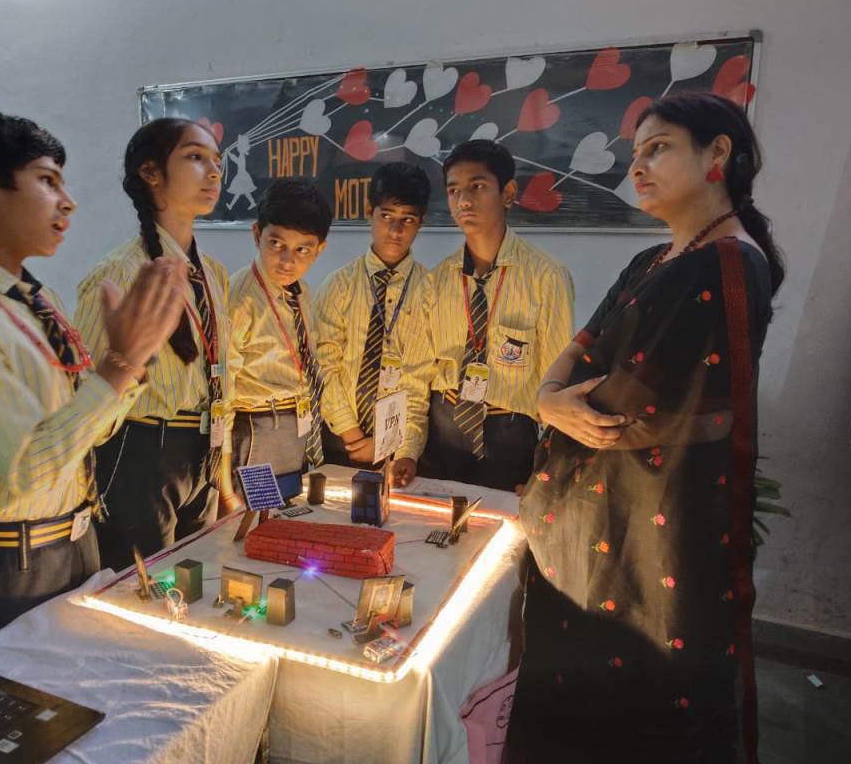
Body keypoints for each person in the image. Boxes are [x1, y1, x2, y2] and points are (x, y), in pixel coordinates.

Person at [506, 91, 784, 763]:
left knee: (638, 712)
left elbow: (625, 408)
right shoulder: (651, 261)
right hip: (593, 526)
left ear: (718, 153)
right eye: (635, 153)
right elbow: (579, 348)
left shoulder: (726, 264)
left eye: (657, 149)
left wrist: (558, 402)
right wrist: (546, 398)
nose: (637, 166)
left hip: (652, 535)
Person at [0, 108, 186, 641]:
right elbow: (29, 470)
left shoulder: (41, 303)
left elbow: (84, 433)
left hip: (77, 539)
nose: (68, 201)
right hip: (14, 564)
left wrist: (129, 369)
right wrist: (117, 368)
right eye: (47, 181)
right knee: (17, 693)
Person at [74, 118, 231, 573]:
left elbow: (225, 372)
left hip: (203, 448)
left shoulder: (212, 274)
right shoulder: (119, 274)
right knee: (145, 590)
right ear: (151, 172)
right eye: (195, 157)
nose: (214, 172)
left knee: (196, 579)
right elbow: (86, 390)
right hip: (142, 453)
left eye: (217, 161)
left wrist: (221, 476)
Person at [421, 140, 574, 491]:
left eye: (477, 187)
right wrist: (409, 450)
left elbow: (559, 380)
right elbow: (419, 374)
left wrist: (549, 466)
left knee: (502, 526)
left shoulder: (546, 276)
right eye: (453, 191)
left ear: (508, 193)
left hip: (509, 434)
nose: (463, 201)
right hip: (443, 429)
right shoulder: (437, 279)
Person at [313, 162, 435, 487]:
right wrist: (353, 436)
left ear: (421, 222)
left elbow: (419, 380)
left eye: (407, 219)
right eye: (386, 216)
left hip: (398, 445)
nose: (395, 230)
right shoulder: (338, 285)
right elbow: (325, 368)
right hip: (340, 437)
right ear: (369, 212)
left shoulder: (430, 291)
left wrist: (405, 449)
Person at [226, 178, 331, 487]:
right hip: (257, 426)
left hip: (296, 423)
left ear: (319, 250)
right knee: (254, 512)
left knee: (287, 510)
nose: (288, 260)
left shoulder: (301, 291)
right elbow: (223, 386)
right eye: (276, 244)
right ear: (257, 234)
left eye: (302, 249)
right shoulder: (240, 297)